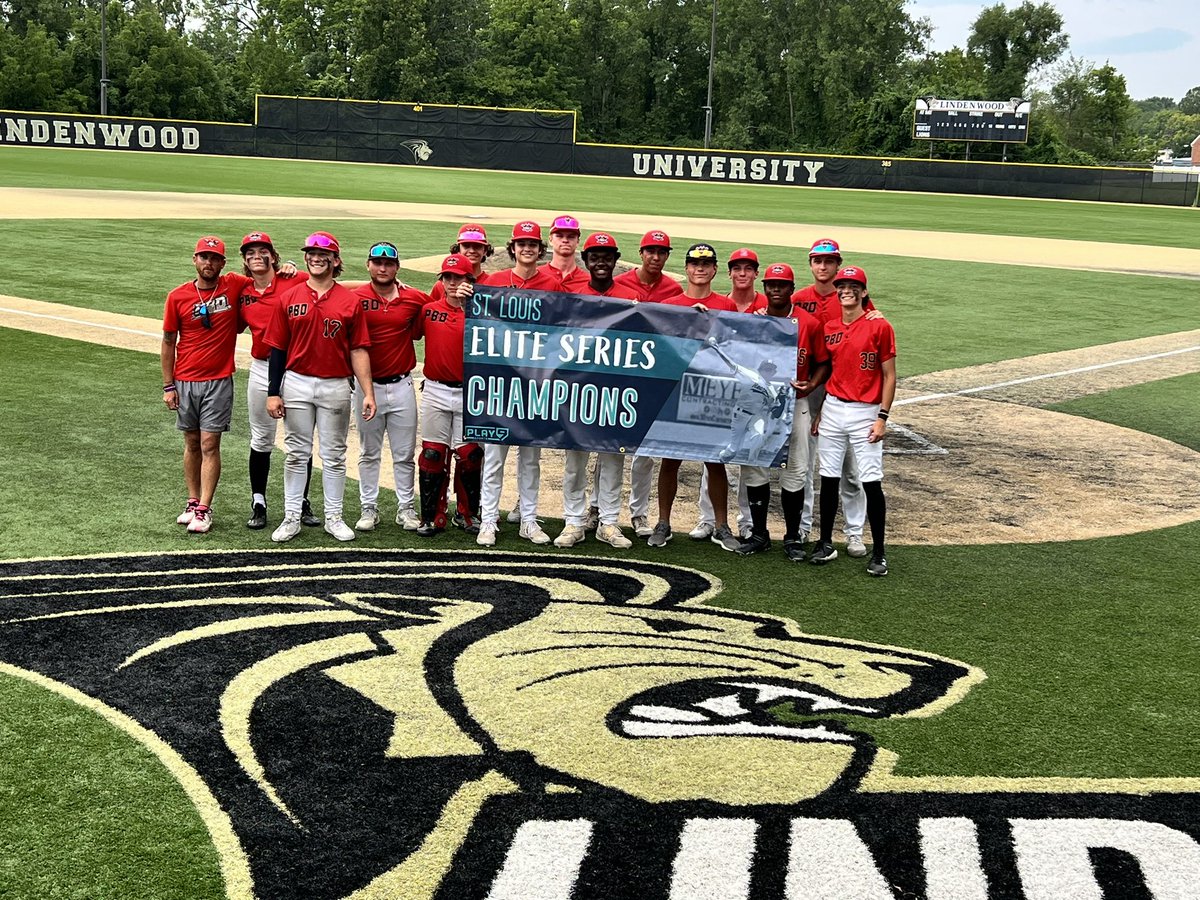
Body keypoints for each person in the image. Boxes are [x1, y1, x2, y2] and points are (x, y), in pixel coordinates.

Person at [265, 231, 375, 542]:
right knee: (297, 453)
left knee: (334, 454)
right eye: (311, 252)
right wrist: (274, 392)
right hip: (297, 381)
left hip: (336, 384)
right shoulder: (289, 297)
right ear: (305, 258)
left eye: (323, 254)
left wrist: (368, 392)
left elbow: (358, 349)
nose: (316, 257)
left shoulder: (349, 301)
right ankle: (291, 516)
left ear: (335, 261)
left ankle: (334, 517)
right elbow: (277, 349)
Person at [647, 243, 741, 552]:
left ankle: (721, 525)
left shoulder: (726, 306)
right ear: (687, 268)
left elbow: (734, 348)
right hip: (677, 390)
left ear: (714, 269)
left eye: (706, 264)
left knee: (715, 461)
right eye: (694, 263)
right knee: (669, 458)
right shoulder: (671, 303)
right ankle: (663, 522)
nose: (700, 268)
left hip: (713, 392)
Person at [735, 263, 830, 560]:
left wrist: (811, 385)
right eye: (771, 284)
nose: (775, 289)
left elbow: (824, 362)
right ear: (764, 288)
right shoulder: (754, 321)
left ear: (791, 289)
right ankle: (760, 534)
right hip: (760, 402)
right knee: (753, 462)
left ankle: (792, 537)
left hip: (795, 402)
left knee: (798, 466)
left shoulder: (808, 323)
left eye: (782, 284)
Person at [162, 236, 254, 534]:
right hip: (185, 379)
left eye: (214, 258)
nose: (209, 263)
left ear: (223, 264)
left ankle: (204, 507)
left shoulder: (233, 284)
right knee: (190, 442)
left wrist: (289, 267)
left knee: (209, 443)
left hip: (218, 380)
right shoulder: (177, 296)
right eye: (204, 257)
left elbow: (264, 276)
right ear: (194, 260)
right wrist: (168, 385)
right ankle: (191, 500)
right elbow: (168, 342)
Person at [554, 232, 640, 550]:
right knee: (575, 459)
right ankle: (573, 522)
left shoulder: (630, 296)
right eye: (594, 256)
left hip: (614, 390)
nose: (601, 261)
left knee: (612, 458)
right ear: (586, 260)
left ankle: (608, 522)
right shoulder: (571, 291)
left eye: (606, 256)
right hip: (578, 388)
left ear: (616, 260)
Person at [810, 266, 895, 576]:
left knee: (871, 481)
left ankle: (880, 552)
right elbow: (830, 371)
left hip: (865, 411)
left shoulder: (880, 326)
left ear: (863, 291)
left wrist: (883, 417)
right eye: (842, 285)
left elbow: (889, 374)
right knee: (829, 478)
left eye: (853, 286)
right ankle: (824, 543)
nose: (846, 290)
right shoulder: (830, 326)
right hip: (833, 408)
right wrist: (821, 409)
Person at [477, 222, 557, 547]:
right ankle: (488, 521)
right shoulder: (494, 283)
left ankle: (528, 519)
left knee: (530, 459)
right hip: (500, 385)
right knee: (494, 458)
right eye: (522, 243)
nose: (527, 249)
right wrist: (470, 293)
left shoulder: (552, 285)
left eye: (533, 244)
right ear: (513, 248)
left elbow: (564, 330)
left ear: (540, 249)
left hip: (534, 386)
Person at [234, 231, 320, 531]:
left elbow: (329, 287)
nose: (257, 256)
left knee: (300, 440)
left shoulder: (292, 281)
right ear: (244, 259)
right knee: (261, 438)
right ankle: (259, 501)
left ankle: (301, 501)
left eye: (262, 251)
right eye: (250, 252)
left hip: (295, 369)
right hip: (261, 368)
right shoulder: (242, 290)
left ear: (273, 255)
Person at [791, 238, 870, 558]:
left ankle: (854, 532)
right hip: (806, 384)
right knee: (805, 461)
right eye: (817, 261)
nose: (823, 267)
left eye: (829, 261)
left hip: (844, 389)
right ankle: (805, 526)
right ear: (810, 264)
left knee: (852, 466)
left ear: (838, 265)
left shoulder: (851, 298)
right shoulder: (798, 298)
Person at [351, 241, 430, 533]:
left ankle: (406, 507)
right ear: (368, 265)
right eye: (377, 262)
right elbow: (328, 287)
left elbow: (439, 300)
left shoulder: (413, 298)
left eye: (388, 264)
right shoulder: (356, 296)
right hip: (366, 386)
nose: (382, 268)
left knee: (404, 452)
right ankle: (368, 507)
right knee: (368, 451)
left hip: (401, 383)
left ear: (397, 267)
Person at [686, 247, 763, 541]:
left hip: (745, 391)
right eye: (737, 268)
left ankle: (746, 520)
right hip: (709, 391)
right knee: (713, 454)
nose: (742, 273)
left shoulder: (764, 305)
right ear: (729, 272)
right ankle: (708, 519)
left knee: (747, 456)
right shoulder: (721, 305)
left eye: (748, 268)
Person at [615, 229, 684, 538]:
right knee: (608, 447)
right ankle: (597, 509)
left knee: (645, 452)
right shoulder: (620, 284)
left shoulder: (674, 290)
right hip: (621, 375)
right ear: (641, 253)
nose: (656, 257)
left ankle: (639, 514)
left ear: (667, 255)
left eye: (662, 252)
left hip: (656, 378)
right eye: (650, 251)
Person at [415, 254, 482, 536]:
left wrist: (473, 306)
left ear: (471, 280)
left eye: (459, 277)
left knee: (470, 455)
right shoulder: (428, 310)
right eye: (448, 277)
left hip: (470, 391)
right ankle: (431, 515)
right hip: (435, 389)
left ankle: (468, 514)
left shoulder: (482, 313)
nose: (453, 283)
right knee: (432, 453)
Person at [430, 224, 493, 303]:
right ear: (458, 250)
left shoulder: (492, 283)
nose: (472, 251)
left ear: (485, 251)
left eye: (477, 246)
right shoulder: (441, 285)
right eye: (466, 246)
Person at [537, 215, 589, 292]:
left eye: (571, 237)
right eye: (559, 236)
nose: (565, 240)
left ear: (577, 241)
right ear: (550, 240)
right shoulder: (535, 276)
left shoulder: (588, 281)